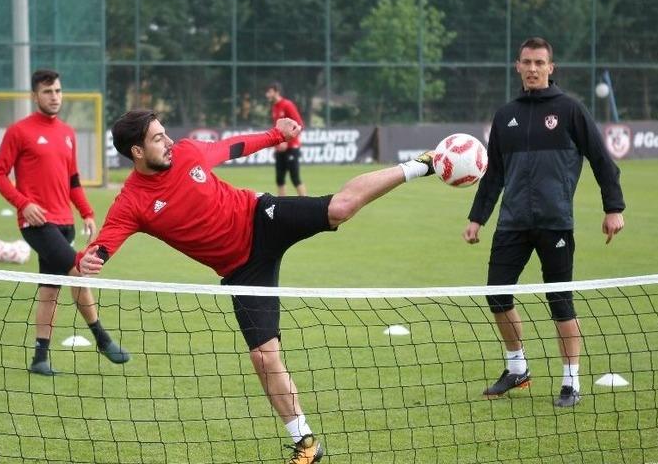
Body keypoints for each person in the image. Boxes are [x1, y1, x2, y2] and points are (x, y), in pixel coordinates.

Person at [77, 109, 436, 464]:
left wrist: (277, 134)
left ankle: (421, 164)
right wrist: (92, 258)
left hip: (261, 218)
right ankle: (306, 443)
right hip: (242, 271)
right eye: (158, 138)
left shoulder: (187, 152)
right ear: (136, 152)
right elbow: (103, 244)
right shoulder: (132, 201)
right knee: (263, 356)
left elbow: (235, 146)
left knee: (339, 208)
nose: (169, 142)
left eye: (165, 133)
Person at [464, 37, 626, 408]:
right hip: (512, 223)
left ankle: (571, 382)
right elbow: (495, 175)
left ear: (551, 67)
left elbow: (602, 160)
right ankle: (517, 367)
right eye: (527, 62)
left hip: (555, 223)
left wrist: (613, 207)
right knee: (497, 295)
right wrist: (477, 218)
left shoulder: (570, 110)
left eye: (540, 62)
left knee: (561, 303)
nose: (533, 68)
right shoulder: (505, 115)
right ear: (517, 66)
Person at [0, 69, 129, 376]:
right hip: (38, 225)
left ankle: (39, 359)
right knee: (79, 273)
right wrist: (23, 204)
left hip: (65, 223)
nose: (54, 96)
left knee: (49, 291)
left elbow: (73, 180)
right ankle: (102, 339)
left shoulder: (67, 132)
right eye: (47, 92)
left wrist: (87, 212)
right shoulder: (19, 131)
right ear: (34, 96)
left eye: (57, 91)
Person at [266, 82, 306, 196]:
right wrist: (274, 143)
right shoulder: (274, 107)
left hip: (291, 148)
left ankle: (306, 206)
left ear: (276, 92)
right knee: (279, 179)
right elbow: (277, 129)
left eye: (269, 92)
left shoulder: (287, 104)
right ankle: (280, 208)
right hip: (280, 149)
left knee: (295, 178)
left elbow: (299, 125)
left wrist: (287, 143)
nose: (267, 94)